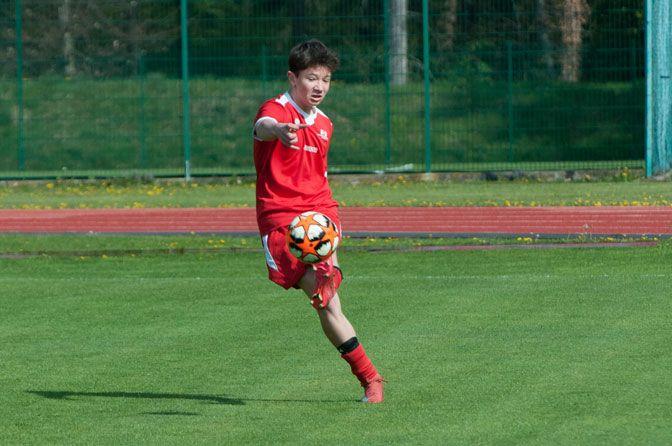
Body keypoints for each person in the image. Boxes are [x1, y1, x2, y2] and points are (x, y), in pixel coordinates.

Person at [252, 39, 384, 403]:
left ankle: (371, 380)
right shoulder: (276, 110)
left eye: (325, 79)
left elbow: (319, 176)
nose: (319, 86)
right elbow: (263, 126)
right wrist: (279, 130)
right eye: (312, 78)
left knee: (327, 301)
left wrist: (330, 219)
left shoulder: (325, 123)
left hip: (319, 212)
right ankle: (369, 376)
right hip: (280, 219)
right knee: (325, 299)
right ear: (292, 78)